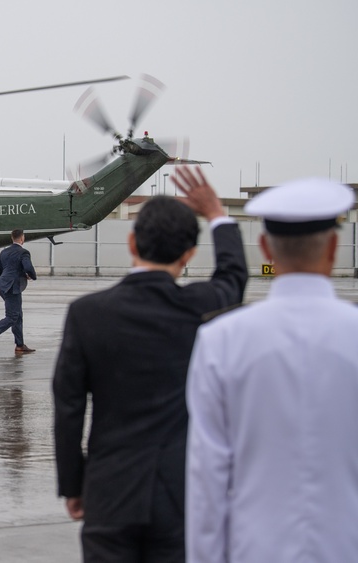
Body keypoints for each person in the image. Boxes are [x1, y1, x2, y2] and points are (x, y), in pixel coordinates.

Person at [52, 166, 248, 562]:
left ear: (131, 243)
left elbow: (68, 408)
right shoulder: (202, 307)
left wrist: (73, 485)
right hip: (182, 492)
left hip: (110, 489)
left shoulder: (87, 314)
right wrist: (217, 214)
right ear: (190, 253)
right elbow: (234, 276)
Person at [186, 177, 358, 563]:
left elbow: (207, 480)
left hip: (254, 550)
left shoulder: (220, 341)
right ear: (333, 247)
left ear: (265, 248)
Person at [0, 229, 38, 354]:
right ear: (22, 238)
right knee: (12, 316)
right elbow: (28, 267)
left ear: (12, 238)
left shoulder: (4, 252)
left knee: (17, 315)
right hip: (12, 288)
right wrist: (32, 276)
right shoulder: (23, 252)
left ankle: (20, 345)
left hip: (3, 286)